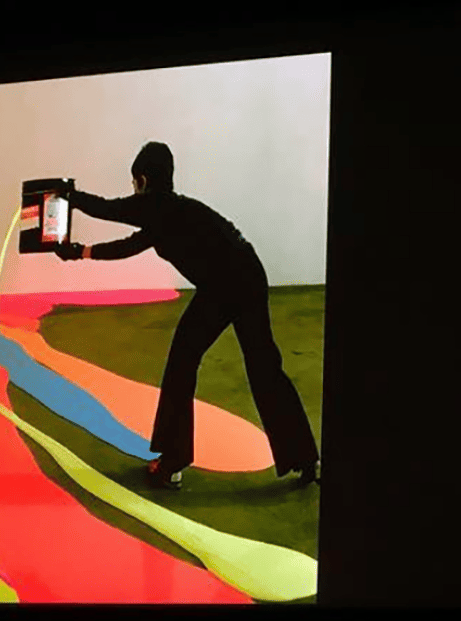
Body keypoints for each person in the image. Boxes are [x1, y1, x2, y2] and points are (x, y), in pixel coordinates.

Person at [53, 141, 320, 491]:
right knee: (261, 366)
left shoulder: (156, 206)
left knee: (195, 362)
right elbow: (129, 246)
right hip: (243, 276)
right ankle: (305, 457)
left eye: (134, 183)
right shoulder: (168, 212)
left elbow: (107, 209)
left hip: (230, 283)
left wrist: (67, 196)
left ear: (143, 180)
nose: (133, 191)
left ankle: (174, 462)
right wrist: (80, 253)